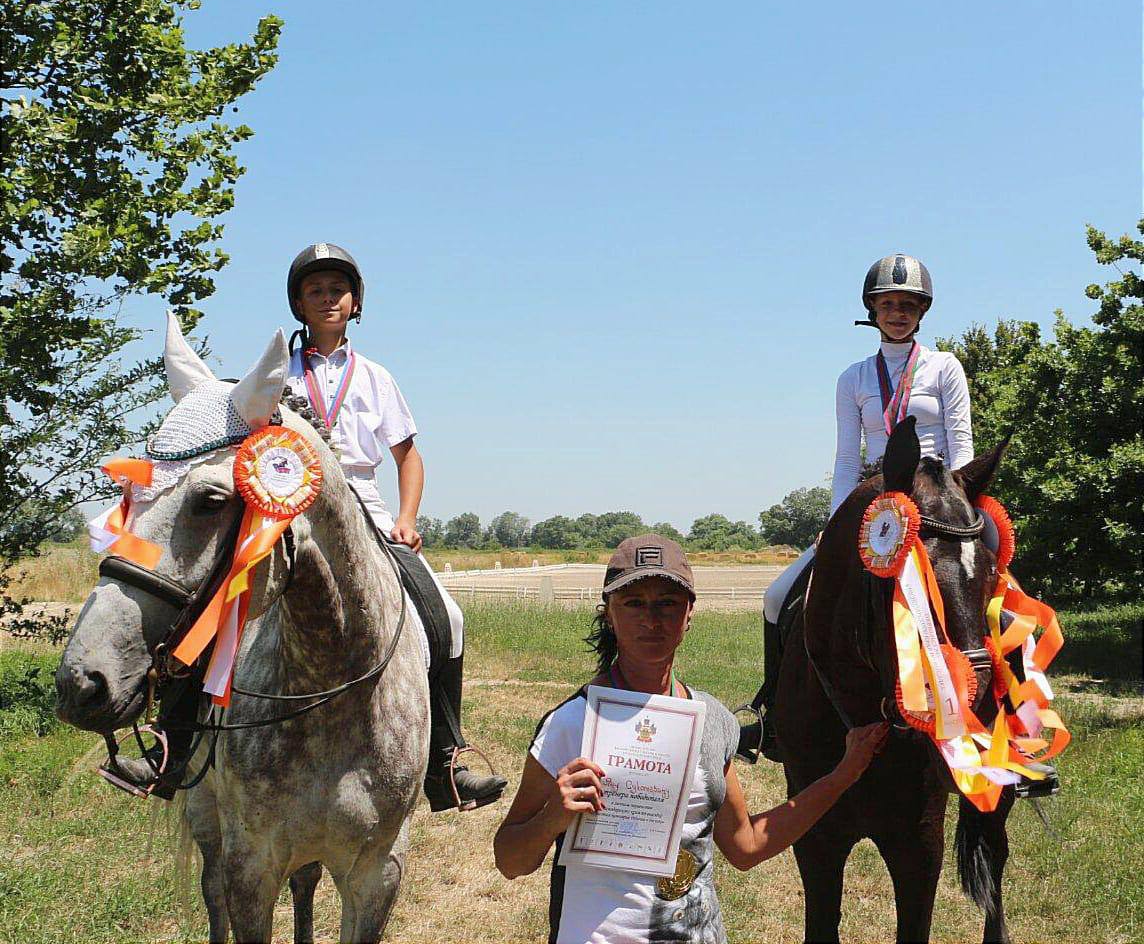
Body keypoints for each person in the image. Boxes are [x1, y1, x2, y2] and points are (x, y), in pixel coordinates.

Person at [494, 534, 887, 944]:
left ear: (689, 613)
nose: (652, 619)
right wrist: (553, 816)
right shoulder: (572, 722)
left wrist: (841, 776)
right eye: (633, 603)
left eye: (668, 602)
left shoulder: (711, 719)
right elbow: (509, 860)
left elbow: (746, 846)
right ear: (608, 613)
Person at [283, 242, 506, 813]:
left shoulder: (376, 376)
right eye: (315, 290)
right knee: (220, 593)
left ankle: (445, 763)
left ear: (355, 302)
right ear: (299, 304)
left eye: (337, 289)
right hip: (288, 498)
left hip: (363, 501)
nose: (327, 298)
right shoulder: (276, 372)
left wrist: (406, 519)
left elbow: (408, 456)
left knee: (447, 617)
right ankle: (176, 745)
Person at [742, 253, 971, 763]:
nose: (897, 312)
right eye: (888, 304)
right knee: (777, 596)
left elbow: (962, 445)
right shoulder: (853, 378)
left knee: (995, 586)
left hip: (938, 498)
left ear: (921, 311)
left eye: (907, 304)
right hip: (877, 503)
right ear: (872, 310)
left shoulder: (944, 367)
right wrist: (835, 523)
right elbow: (848, 458)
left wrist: (960, 509)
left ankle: (1007, 716)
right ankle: (773, 718)